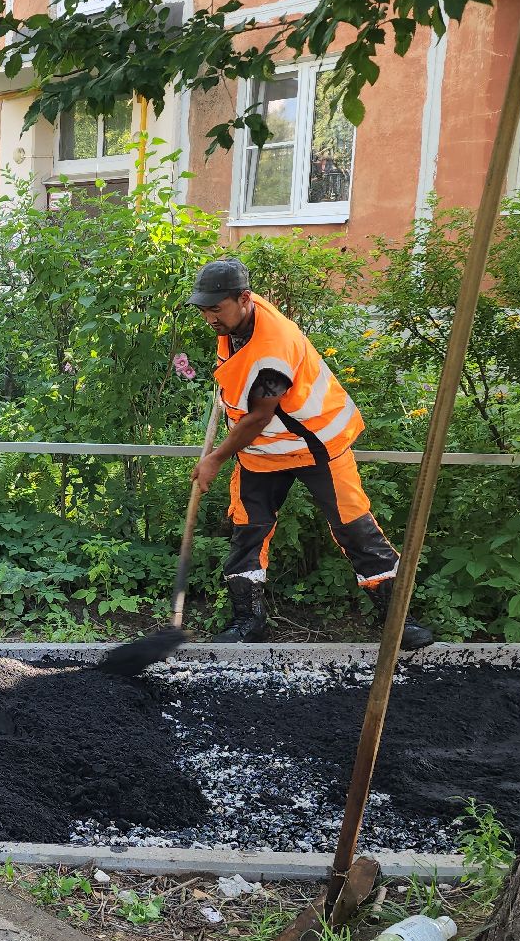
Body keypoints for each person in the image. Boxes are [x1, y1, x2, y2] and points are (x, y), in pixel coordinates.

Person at [185, 259, 437, 649]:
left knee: (355, 527)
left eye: (216, 309)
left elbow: (260, 415)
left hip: (316, 445)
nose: (209, 318)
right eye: (204, 309)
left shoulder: (275, 345)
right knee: (249, 530)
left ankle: (398, 621)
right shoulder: (239, 322)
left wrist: (215, 458)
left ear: (245, 299)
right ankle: (248, 623)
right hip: (264, 452)